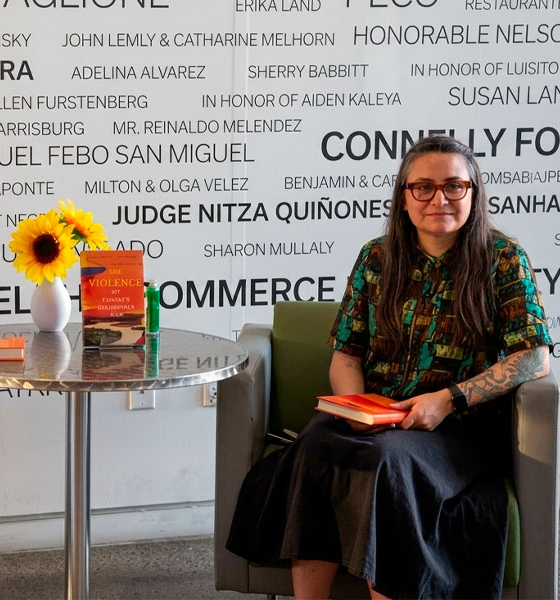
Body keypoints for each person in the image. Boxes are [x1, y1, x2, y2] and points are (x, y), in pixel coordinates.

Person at [226, 135, 552, 599]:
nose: (439, 199)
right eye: (423, 187)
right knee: (315, 447)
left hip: (457, 427)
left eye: (454, 186)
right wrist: (359, 407)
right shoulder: (375, 258)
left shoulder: (503, 259)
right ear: (404, 196)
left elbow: (535, 357)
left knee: (383, 463)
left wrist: (448, 400)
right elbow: (347, 354)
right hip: (379, 415)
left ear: (473, 193)